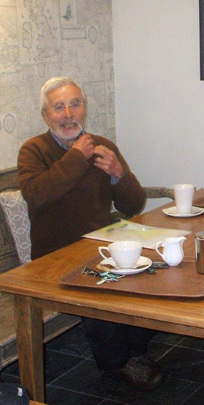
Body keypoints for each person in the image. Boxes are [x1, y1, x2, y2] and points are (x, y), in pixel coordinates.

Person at [17, 77, 164, 390]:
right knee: (97, 292)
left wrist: (118, 174)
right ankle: (116, 365)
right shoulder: (34, 150)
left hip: (102, 246)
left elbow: (134, 203)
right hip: (54, 256)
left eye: (76, 104)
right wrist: (75, 156)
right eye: (59, 107)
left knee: (156, 276)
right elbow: (37, 194)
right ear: (45, 116)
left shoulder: (103, 147)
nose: (69, 114)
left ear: (84, 109)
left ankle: (134, 352)